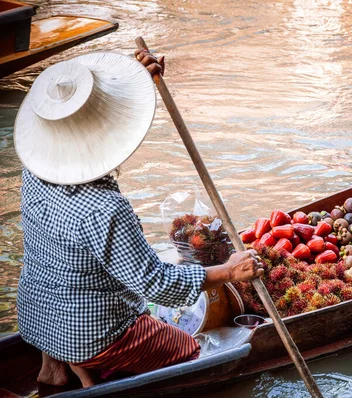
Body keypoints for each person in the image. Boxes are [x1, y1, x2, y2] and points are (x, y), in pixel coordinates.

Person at [14, 50, 264, 388]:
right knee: (187, 348)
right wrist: (230, 271)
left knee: (64, 268)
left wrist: (136, 80)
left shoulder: (35, 169)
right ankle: (94, 369)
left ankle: (57, 372)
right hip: (92, 334)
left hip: (37, 315)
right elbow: (156, 285)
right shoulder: (104, 208)